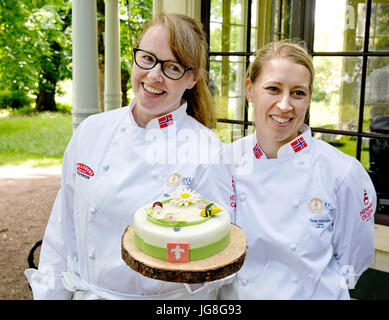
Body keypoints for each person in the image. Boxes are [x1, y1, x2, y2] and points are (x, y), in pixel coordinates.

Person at [25, 12, 233, 300]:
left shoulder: (209, 152)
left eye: (172, 67)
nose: (154, 75)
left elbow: (215, 262)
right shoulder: (91, 131)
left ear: (192, 78)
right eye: (147, 58)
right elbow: (62, 233)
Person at [219, 41, 376, 300]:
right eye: (273, 88)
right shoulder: (225, 162)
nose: (284, 105)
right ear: (250, 89)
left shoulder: (343, 173)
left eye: (298, 93)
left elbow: (352, 262)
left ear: (309, 98)